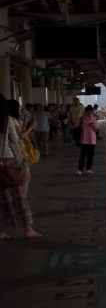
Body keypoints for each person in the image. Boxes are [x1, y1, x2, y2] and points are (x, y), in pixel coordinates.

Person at [1, 99, 41, 239]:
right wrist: (20, 159)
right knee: (19, 196)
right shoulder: (7, 121)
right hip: (7, 161)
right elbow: (15, 140)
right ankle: (28, 229)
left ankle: (1, 231)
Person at [76, 105, 100, 175]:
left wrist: (92, 125)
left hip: (91, 140)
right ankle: (80, 170)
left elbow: (96, 130)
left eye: (90, 112)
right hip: (83, 140)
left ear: (92, 112)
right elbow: (76, 127)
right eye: (87, 112)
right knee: (82, 155)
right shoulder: (81, 119)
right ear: (85, 112)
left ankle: (89, 169)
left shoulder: (94, 120)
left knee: (90, 155)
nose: (89, 113)